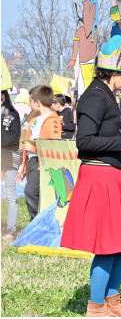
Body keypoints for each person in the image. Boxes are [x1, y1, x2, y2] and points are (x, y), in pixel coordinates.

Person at [60, 35, 121, 316]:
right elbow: (83, 142)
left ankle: (113, 301)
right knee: (109, 246)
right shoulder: (95, 96)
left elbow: (109, 138)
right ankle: (96, 307)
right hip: (100, 179)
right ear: (116, 69)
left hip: (114, 177)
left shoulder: (110, 96)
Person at [16, 85, 62, 221]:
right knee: (35, 193)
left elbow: (54, 146)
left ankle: (38, 221)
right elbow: (28, 145)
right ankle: (35, 223)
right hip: (32, 162)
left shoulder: (53, 121)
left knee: (30, 192)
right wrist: (23, 168)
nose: (30, 104)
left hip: (42, 162)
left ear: (38, 102)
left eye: (30, 101)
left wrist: (34, 149)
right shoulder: (33, 120)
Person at [2, 90, 21, 241]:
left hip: (9, 159)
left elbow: (13, 138)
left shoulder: (12, 114)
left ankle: (11, 229)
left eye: (1, 93)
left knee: (11, 195)